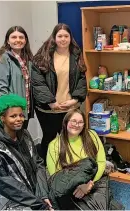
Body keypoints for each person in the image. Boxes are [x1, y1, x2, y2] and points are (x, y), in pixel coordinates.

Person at [0, 94, 52, 210]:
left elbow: (38, 164)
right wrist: (37, 203)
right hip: (3, 201)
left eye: (21, 115)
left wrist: (42, 193)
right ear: (2, 118)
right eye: (13, 116)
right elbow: (5, 185)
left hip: (28, 193)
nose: (19, 119)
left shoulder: (25, 136)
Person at [47, 109, 123, 210]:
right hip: (70, 187)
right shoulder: (54, 145)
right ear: (65, 123)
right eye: (73, 121)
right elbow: (56, 176)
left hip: (94, 179)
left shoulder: (92, 135)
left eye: (80, 122)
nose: (76, 125)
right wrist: (79, 186)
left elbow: (100, 162)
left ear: (84, 125)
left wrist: (89, 184)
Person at [32, 23, 87, 161]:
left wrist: (75, 100)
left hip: (70, 108)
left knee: (70, 139)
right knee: (50, 138)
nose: (63, 39)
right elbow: (38, 83)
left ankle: (68, 167)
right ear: (54, 37)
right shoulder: (42, 56)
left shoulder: (76, 55)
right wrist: (51, 102)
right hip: (48, 110)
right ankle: (46, 166)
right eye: (60, 36)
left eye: (66, 36)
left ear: (70, 38)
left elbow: (81, 79)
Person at [0, 26, 34, 129]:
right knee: (10, 143)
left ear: (25, 40)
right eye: (14, 37)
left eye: (21, 37)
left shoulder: (27, 59)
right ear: (8, 40)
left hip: (23, 111)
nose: (18, 40)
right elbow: (0, 88)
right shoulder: (3, 58)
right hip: (11, 114)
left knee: (19, 141)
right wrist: (6, 113)